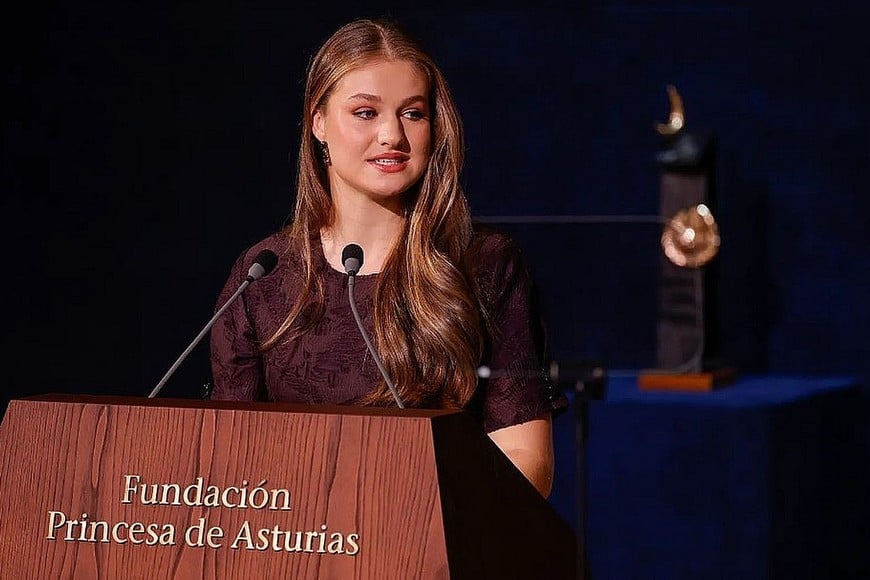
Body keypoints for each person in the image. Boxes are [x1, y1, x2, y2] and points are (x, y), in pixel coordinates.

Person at [209, 17, 567, 497]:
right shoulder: (263, 274)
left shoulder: (485, 265)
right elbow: (230, 459)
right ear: (318, 123)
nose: (392, 135)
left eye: (413, 113)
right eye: (365, 112)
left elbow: (526, 462)